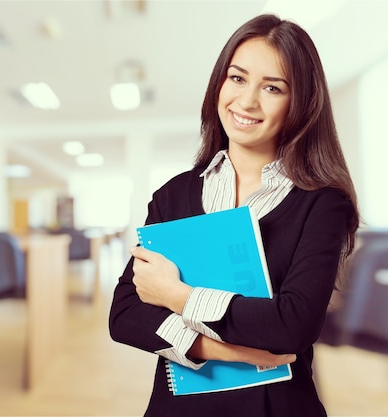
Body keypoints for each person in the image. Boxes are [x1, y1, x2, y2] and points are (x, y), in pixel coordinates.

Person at [109, 13, 359, 417]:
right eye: (237, 78)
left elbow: (291, 326)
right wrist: (227, 349)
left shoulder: (322, 203)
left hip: (275, 407)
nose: (247, 101)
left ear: (300, 102)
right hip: (178, 407)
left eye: (272, 87)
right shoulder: (173, 195)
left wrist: (177, 296)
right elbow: (124, 314)